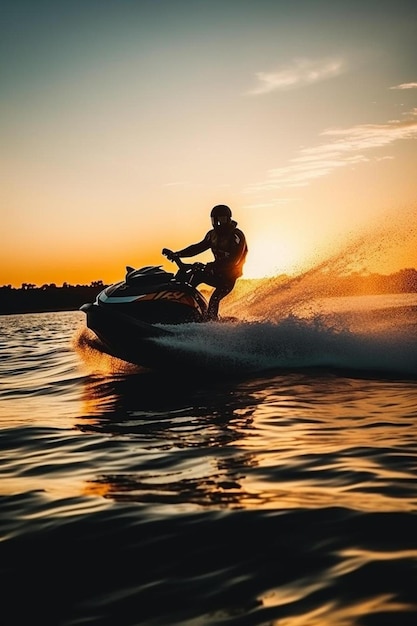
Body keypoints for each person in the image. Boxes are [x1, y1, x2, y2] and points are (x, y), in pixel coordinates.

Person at [163, 204, 248, 320]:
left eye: (221, 219)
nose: (217, 223)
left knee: (214, 299)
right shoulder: (212, 235)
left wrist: (211, 266)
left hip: (228, 278)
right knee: (192, 279)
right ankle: (185, 309)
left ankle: (211, 324)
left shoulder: (236, 235)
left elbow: (234, 259)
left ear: (228, 219)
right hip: (215, 272)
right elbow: (197, 248)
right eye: (215, 220)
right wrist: (178, 254)